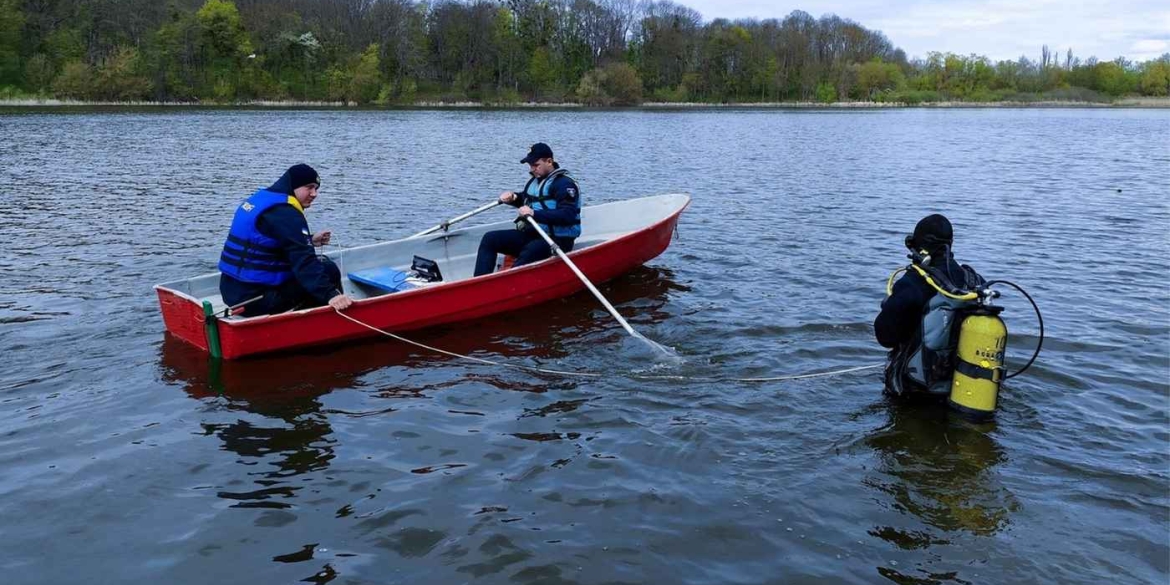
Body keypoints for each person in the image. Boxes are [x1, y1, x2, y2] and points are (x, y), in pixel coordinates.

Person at [219, 164, 354, 317]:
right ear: (294, 186)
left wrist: (310, 240)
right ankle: (330, 319)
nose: (314, 193)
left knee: (318, 268)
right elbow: (305, 263)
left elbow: (263, 241)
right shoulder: (287, 214)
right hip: (257, 299)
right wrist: (331, 295)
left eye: (316, 188)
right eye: (309, 187)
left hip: (231, 292)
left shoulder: (261, 200)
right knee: (328, 269)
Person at [875, 214, 985, 396]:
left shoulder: (913, 282)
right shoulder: (974, 282)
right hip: (967, 390)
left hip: (916, 392)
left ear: (920, 246)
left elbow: (885, 337)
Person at [473, 143, 581, 277]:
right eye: (530, 166)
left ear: (549, 161)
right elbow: (526, 200)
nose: (532, 169)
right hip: (535, 234)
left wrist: (534, 214)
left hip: (558, 239)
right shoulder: (536, 181)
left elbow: (568, 215)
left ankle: (508, 284)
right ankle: (480, 282)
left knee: (531, 250)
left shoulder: (564, 184)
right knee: (490, 239)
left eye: (536, 165)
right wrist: (513, 197)